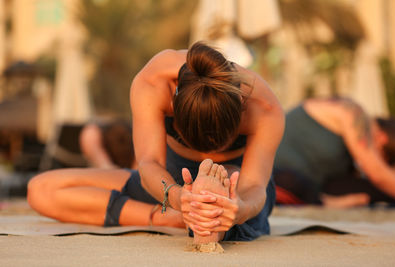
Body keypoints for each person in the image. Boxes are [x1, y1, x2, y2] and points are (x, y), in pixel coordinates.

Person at [27, 42, 284, 242]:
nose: (206, 153)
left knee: (214, 191)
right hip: (167, 180)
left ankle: (209, 210)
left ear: (241, 107)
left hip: (235, 184)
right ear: (173, 106)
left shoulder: (265, 108)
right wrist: (175, 197)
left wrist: (239, 209)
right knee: (40, 190)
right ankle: (173, 220)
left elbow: (254, 186)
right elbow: (149, 163)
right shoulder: (152, 83)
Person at [273, 97, 395, 208]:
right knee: (383, 187)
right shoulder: (353, 112)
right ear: (382, 138)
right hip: (278, 177)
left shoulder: (348, 153)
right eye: (382, 158)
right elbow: (378, 173)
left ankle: (324, 202)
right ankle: (325, 203)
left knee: (376, 192)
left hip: (311, 186)